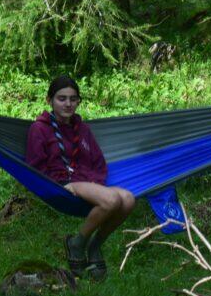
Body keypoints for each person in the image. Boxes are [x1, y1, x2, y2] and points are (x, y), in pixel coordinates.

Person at [25, 75, 135, 280]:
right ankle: (77, 242)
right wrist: (54, 185)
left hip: (85, 182)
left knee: (128, 199)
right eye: (62, 98)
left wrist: (95, 184)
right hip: (60, 184)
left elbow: (98, 162)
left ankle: (95, 245)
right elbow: (35, 167)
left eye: (73, 99)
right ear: (49, 100)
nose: (68, 104)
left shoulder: (82, 129)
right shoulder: (39, 129)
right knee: (111, 200)